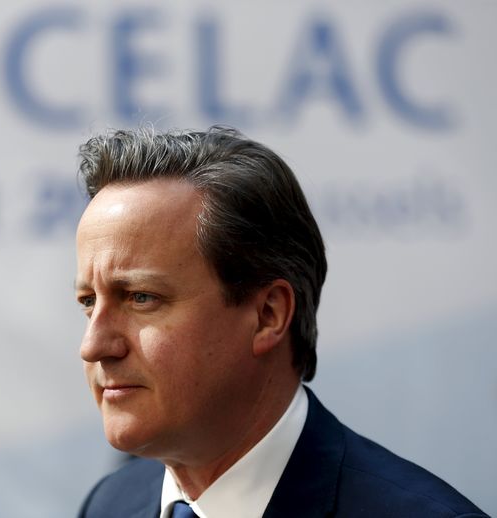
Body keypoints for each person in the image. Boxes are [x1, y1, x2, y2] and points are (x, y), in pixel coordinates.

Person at [73, 126, 485, 518]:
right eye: (89, 302)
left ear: (268, 315)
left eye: (141, 297)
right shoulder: (110, 503)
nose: (93, 346)